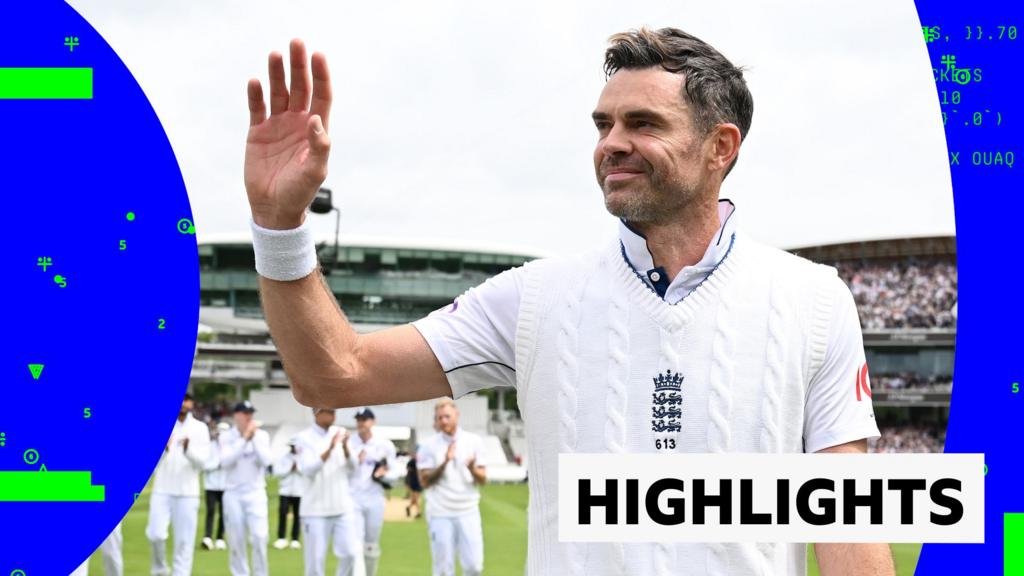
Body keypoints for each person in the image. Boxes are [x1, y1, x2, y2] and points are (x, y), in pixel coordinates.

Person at [243, 28, 892, 576]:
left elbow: (848, 528)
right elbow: (332, 372)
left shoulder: (814, 301)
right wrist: (279, 227)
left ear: (720, 147)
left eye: (643, 123)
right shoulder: (534, 298)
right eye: (604, 124)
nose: (611, 143)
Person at [416, 400, 487, 576]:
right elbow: (424, 482)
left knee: (474, 567)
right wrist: (445, 462)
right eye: (439, 418)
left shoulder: (474, 441)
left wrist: (471, 468)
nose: (443, 421)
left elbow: (483, 479)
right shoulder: (428, 445)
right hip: (440, 513)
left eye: (447, 416)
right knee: (443, 570)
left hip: (468, 511)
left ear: (457, 415)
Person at [146, 393, 210, 576]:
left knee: (184, 542)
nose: (183, 406)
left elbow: (203, 463)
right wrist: (165, 449)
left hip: (188, 493)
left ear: (191, 404)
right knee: (156, 534)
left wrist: (187, 449)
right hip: (162, 489)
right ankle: (160, 570)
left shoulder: (200, 428)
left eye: (186, 402)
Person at [295, 407, 361, 576]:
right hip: (314, 510)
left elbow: (354, 467)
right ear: (316, 412)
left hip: (342, 507)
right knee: (315, 563)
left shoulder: (341, 433)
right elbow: (308, 470)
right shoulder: (304, 438)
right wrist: (330, 448)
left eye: (334, 411)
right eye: (328, 411)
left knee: (350, 554)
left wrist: (345, 447)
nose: (333, 414)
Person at [220, 400, 273, 576]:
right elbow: (226, 462)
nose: (249, 416)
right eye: (245, 413)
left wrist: (253, 438)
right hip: (233, 492)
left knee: (259, 537)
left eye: (250, 413)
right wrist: (244, 440)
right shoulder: (226, 437)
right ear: (236, 415)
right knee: (236, 540)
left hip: (256, 492)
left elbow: (266, 461)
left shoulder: (262, 436)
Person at [348, 407, 397, 576]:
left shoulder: (384, 445)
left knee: (371, 545)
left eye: (365, 419)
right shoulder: (349, 443)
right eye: (359, 419)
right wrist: (354, 461)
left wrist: (383, 475)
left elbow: (396, 472)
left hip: (375, 498)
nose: (361, 422)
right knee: (354, 544)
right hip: (353, 498)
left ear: (373, 421)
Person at [202, 421, 230, 551]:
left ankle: (220, 538)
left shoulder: (231, 448)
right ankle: (207, 537)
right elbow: (204, 465)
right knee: (211, 511)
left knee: (224, 512)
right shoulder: (209, 446)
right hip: (211, 484)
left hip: (226, 485)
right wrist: (216, 465)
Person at [273, 436, 304, 550]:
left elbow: (308, 471)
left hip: (299, 491)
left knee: (297, 516)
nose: (293, 448)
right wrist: (289, 468)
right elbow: (277, 472)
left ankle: (295, 539)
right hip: (285, 490)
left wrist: (298, 468)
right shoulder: (284, 458)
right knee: (283, 513)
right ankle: (281, 538)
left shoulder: (303, 458)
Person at [404, 452, 422, 519]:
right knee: (416, 498)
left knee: (415, 499)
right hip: (413, 482)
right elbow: (408, 471)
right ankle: (418, 512)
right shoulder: (411, 462)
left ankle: (408, 507)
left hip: (419, 482)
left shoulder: (421, 462)